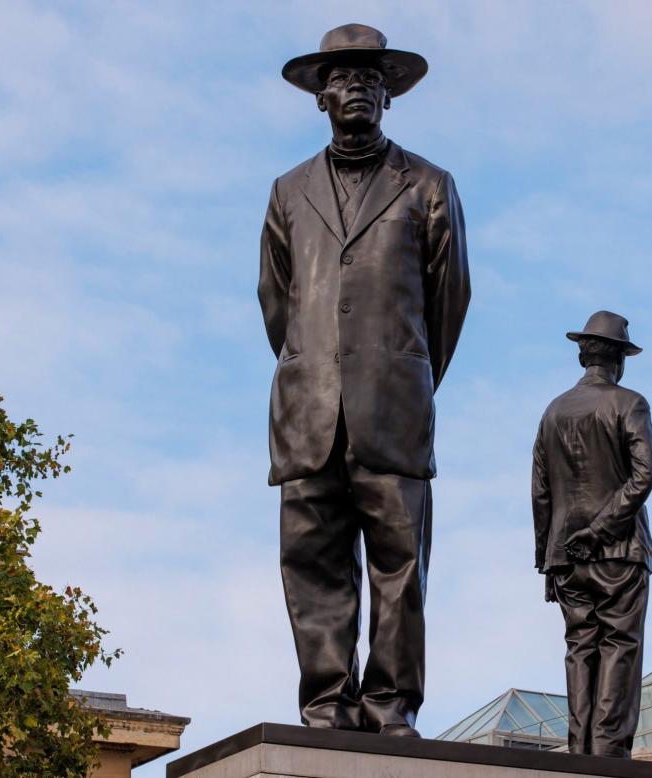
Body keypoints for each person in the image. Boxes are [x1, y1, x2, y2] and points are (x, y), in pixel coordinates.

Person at [258, 24, 470, 736]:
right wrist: (314, 367)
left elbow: (450, 300)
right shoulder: (287, 191)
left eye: (371, 79)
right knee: (310, 562)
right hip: (307, 407)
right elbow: (276, 302)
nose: (357, 89)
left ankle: (388, 705)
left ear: (389, 96)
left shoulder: (430, 186)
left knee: (399, 567)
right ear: (320, 98)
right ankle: (325, 705)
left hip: (394, 405)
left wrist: (401, 371)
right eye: (342, 79)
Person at [531, 311, 652, 757]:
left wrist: (548, 559)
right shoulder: (630, 404)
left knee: (580, 648)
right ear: (619, 360)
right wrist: (602, 530)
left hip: (566, 557)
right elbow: (644, 477)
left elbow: (541, 494)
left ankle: (580, 749)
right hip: (619, 551)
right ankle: (607, 750)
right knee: (620, 644)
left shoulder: (553, 412)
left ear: (584, 356)